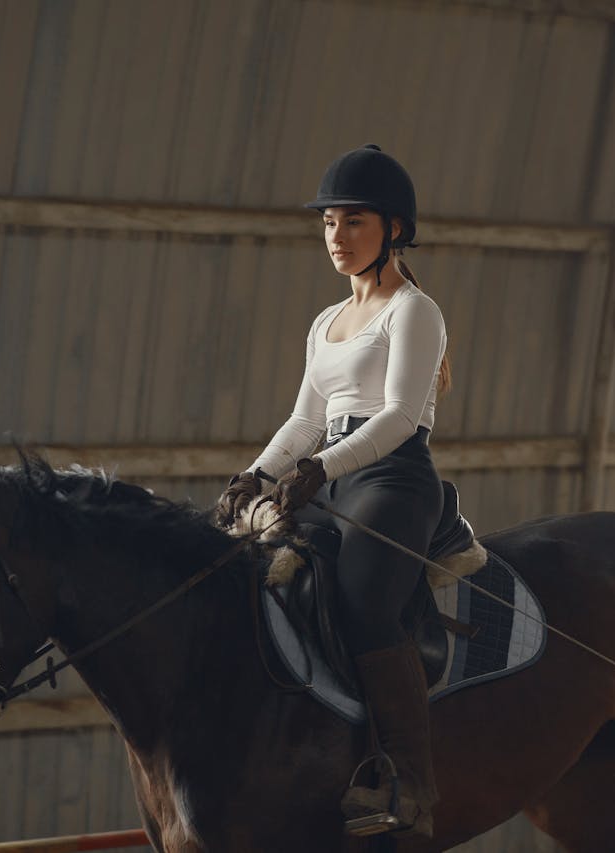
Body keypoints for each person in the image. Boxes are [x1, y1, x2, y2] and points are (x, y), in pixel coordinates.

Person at [215, 144, 450, 839]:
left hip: (394, 477)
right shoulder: (325, 321)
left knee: (362, 602)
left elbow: (400, 416)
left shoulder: (414, 310)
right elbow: (305, 419)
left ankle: (409, 778)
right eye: (328, 224)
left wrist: (323, 467)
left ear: (395, 230)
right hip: (332, 472)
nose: (337, 238)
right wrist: (257, 472)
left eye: (353, 223)